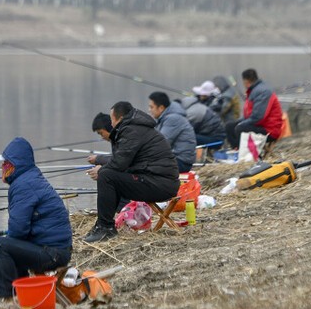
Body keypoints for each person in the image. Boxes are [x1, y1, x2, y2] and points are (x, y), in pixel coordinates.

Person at [0, 137, 72, 309]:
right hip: (57, 249)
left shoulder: (23, 185)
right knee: (10, 244)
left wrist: (9, 238)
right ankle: (22, 295)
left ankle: (7, 303)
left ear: (15, 164)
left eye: (6, 164)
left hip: (53, 253)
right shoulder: (29, 178)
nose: (3, 168)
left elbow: (18, 230)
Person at [84, 101, 180, 244]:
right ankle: (103, 225)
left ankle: (106, 228)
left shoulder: (132, 130)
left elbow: (119, 163)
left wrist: (101, 168)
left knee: (106, 176)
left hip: (160, 184)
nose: (111, 124)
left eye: (112, 120)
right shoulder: (135, 129)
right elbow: (125, 162)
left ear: (119, 118)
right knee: (109, 176)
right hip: (158, 180)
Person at [224, 69, 285, 151]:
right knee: (229, 126)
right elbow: (249, 116)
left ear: (246, 81)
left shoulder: (262, 91)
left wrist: (241, 124)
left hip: (270, 130)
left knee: (240, 128)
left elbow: (258, 117)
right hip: (260, 125)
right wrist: (240, 122)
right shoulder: (254, 91)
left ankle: (245, 154)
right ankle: (237, 150)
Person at [147, 91, 197, 173]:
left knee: (143, 167)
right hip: (175, 159)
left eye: (151, 107)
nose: (149, 110)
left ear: (161, 108)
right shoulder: (166, 117)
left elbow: (160, 143)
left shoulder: (173, 118)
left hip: (181, 161)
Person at [177, 93, 226, 158]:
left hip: (217, 140)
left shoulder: (192, 113)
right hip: (212, 135)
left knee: (186, 137)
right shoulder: (194, 106)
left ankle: (185, 159)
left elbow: (185, 132)